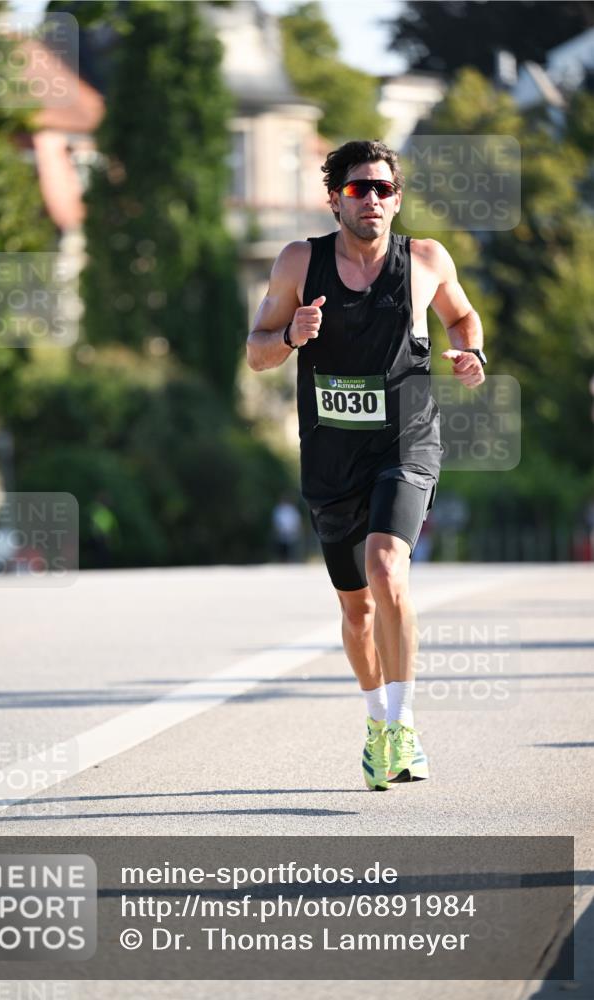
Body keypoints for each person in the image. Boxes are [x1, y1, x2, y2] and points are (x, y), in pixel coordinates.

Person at [246, 140, 486, 790]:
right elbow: (256, 352)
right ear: (334, 198)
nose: (372, 199)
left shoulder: (425, 260)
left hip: (404, 443)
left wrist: (471, 354)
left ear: (396, 198)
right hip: (330, 456)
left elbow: (462, 318)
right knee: (355, 611)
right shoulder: (301, 261)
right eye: (358, 189)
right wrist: (291, 336)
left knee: (388, 566)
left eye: (383, 189)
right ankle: (376, 720)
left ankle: (402, 725)